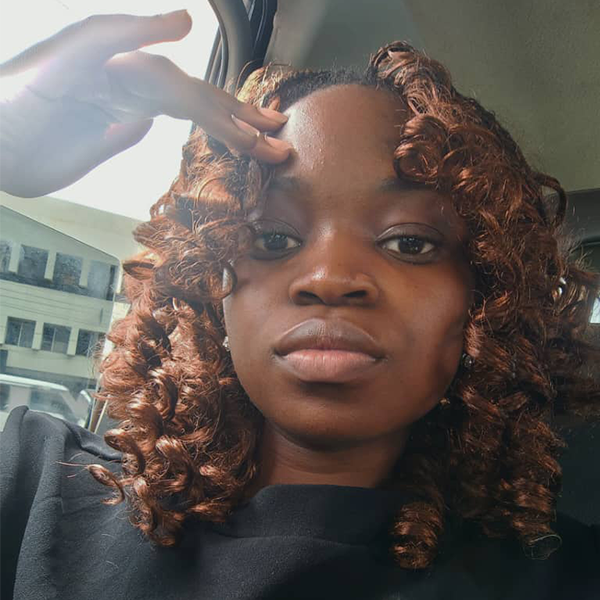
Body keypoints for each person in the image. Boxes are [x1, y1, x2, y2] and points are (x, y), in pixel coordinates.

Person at [1, 9, 599, 600]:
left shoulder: (565, 577)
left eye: (409, 243)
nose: (329, 279)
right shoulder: (38, 482)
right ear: (213, 286)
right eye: (272, 239)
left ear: (485, 300)